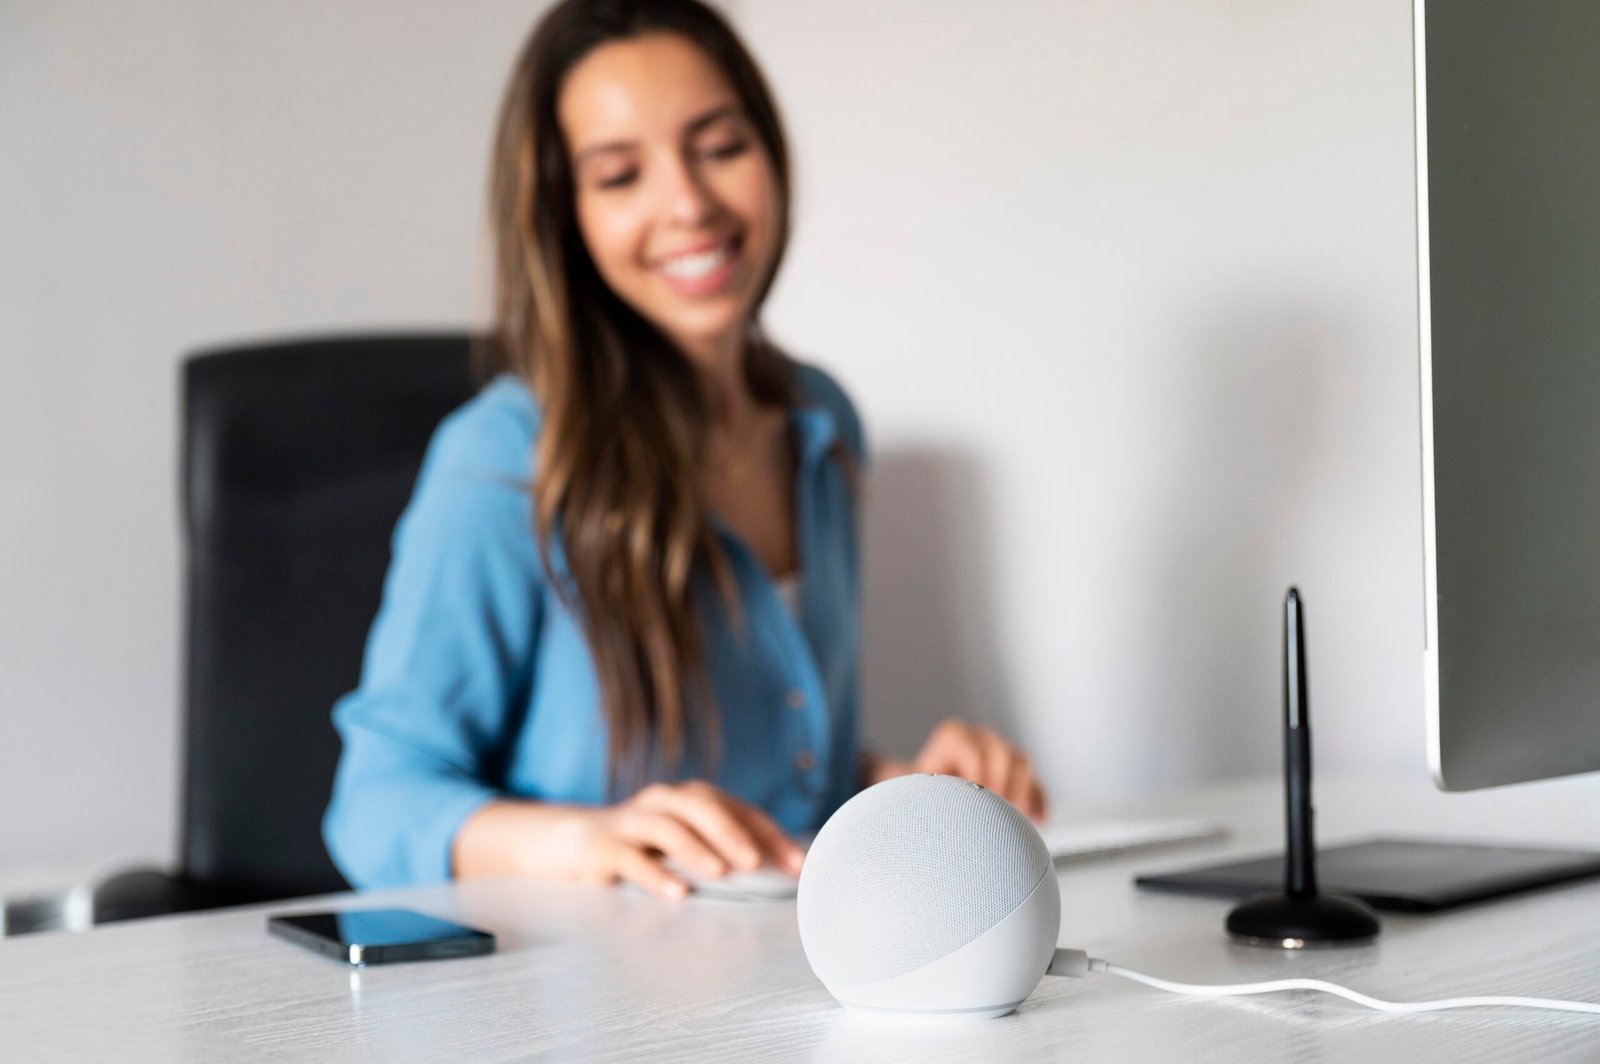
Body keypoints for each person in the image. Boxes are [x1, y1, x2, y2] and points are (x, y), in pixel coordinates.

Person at [323, 0, 1046, 900]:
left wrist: (907, 788)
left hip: (792, 959)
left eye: (718, 147)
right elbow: (373, 804)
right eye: (621, 174)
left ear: (770, 154)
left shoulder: (822, 423)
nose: (689, 204)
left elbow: (783, 779)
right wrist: (588, 839)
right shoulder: (504, 455)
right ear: (564, 214)